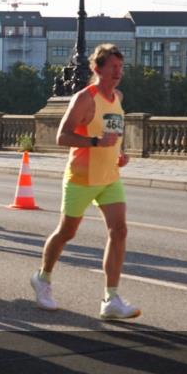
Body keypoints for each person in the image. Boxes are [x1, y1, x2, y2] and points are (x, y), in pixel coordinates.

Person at [31, 44, 140, 320]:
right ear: (97, 69)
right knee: (67, 232)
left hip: (109, 177)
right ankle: (42, 279)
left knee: (119, 231)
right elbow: (62, 137)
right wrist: (95, 142)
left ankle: (111, 299)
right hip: (81, 177)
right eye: (112, 67)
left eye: (121, 67)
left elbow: (112, 135)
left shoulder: (118, 97)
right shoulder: (84, 98)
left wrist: (119, 154)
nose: (118, 72)